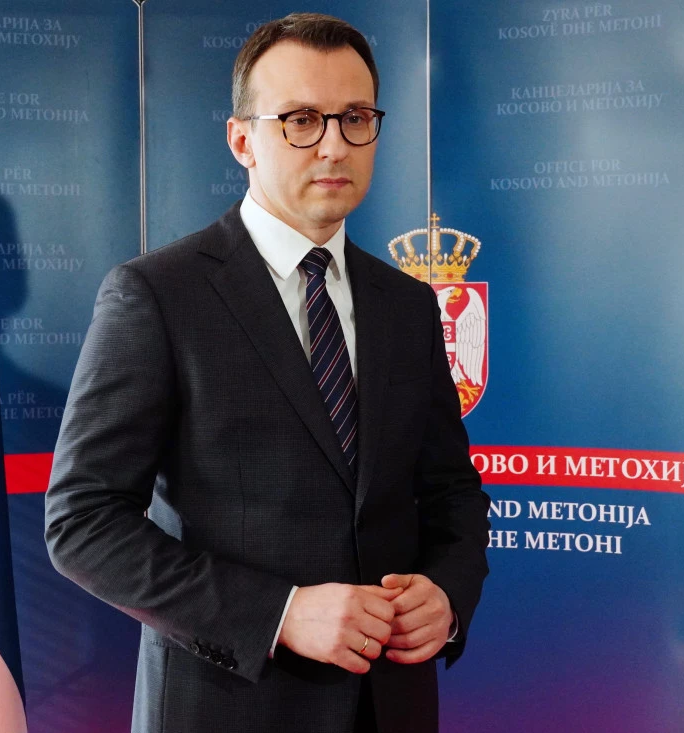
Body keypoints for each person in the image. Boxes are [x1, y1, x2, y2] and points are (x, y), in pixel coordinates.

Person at [45, 13, 490, 733]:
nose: (334, 145)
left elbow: (451, 493)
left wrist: (447, 594)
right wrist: (279, 613)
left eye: (355, 118)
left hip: (392, 705)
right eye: (301, 120)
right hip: (226, 707)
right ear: (242, 140)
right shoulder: (157, 295)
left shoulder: (407, 304)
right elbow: (82, 523)